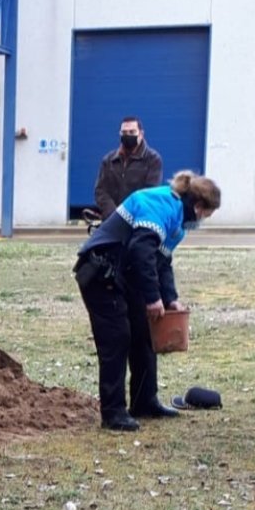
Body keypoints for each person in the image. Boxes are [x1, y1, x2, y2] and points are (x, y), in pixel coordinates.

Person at [74, 171, 220, 432]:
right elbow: (141, 251)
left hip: (121, 274)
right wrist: (153, 299)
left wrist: (170, 299)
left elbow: (161, 261)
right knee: (117, 338)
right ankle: (113, 412)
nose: (204, 220)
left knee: (143, 333)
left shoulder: (177, 220)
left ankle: (145, 401)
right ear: (199, 207)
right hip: (100, 273)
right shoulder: (162, 204)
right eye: (207, 215)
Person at [93, 116, 164, 220]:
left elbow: (150, 192)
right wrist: (114, 215)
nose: (128, 136)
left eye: (132, 132)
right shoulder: (109, 160)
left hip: (139, 221)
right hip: (111, 221)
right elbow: (100, 191)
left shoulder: (153, 159)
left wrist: (128, 216)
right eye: (124, 133)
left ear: (141, 134)